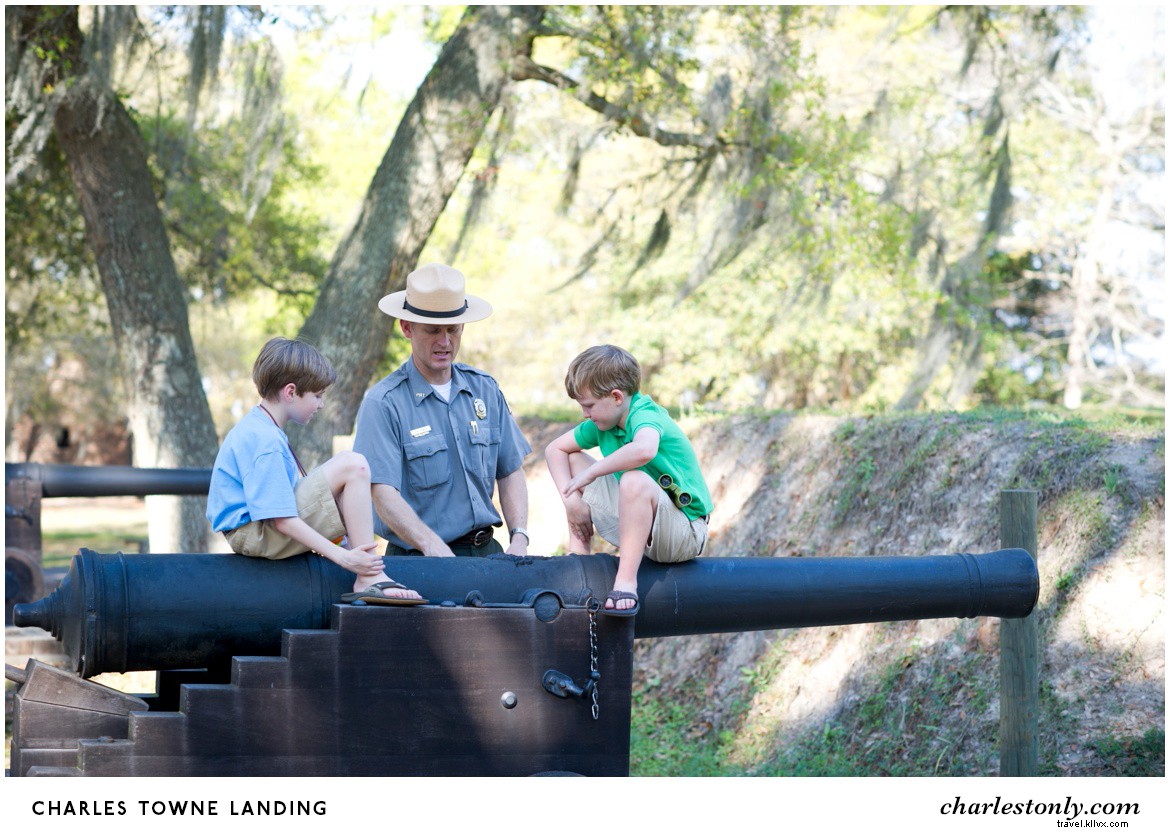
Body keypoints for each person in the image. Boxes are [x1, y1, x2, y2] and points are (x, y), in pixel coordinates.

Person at [206, 337, 425, 605]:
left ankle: (366, 566)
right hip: (254, 534)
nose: (321, 405)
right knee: (354, 465)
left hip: (255, 531)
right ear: (290, 392)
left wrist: (344, 544)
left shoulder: (263, 428)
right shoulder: (266, 441)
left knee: (346, 486)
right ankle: (369, 577)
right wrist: (343, 558)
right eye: (317, 396)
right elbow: (281, 519)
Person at [353, 263, 532, 558]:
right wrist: (430, 544)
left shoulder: (485, 389)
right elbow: (382, 494)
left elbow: (510, 469)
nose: (445, 342)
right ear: (407, 328)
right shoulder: (384, 403)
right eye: (433, 331)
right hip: (420, 562)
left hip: (487, 552)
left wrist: (520, 537)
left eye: (453, 329)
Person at [544, 345, 713, 616]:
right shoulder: (604, 423)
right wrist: (571, 503)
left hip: (684, 530)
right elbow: (554, 449)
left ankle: (625, 582)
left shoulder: (645, 414)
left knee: (634, 479)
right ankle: (578, 559)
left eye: (588, 406)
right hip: (640, 527)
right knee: (573, 459)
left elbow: (645, 450)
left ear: (616, 397)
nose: (585, 414)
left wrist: (593, 472)